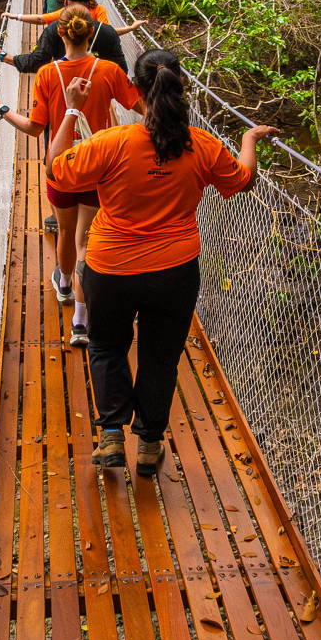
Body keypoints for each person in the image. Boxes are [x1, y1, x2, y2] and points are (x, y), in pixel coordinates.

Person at [45, 50, 278, 477]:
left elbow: (57, 174)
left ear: (134, 89)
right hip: (174, 273)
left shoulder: (110, 143)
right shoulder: (201, 146)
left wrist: (70, 112)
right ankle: (150, 445)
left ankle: (112, 435)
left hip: (111, 269)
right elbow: (243, 180)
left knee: (106, 346)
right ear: (181, 88)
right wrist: (248, 140)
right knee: (160, 357)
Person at [0, 4, 143, 349]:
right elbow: (143, 108)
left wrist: (1, 108)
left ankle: (64, 283)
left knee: (66, 233)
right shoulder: (110, 71)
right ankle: (81, 321)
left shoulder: (48, 75)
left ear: (60, 33)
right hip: (101, 170)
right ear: (90, 32)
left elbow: (35, 128)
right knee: (87, 241)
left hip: (62, 169)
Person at [0, 0, 146, 75]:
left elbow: (35, 61)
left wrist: (2, 55)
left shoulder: (54, 30)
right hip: (96, 107)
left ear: (65, 2)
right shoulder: (106, 32)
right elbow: (121, 70)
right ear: (89, 2)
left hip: (62, 93)